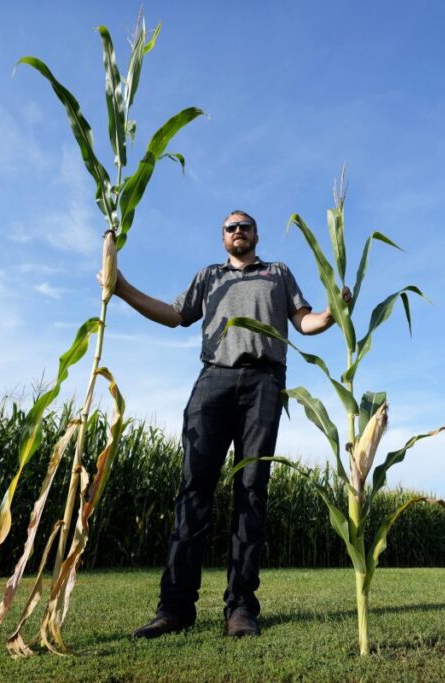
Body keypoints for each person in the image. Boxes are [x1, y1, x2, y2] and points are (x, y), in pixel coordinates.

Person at [103, 210, 347, 638]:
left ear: (256, 234)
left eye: (245, 226)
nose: (238, 232)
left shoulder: (278, 273)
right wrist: (120, 288)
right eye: (230, 228)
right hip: (213, 380)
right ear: (223, 238)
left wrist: (334, 312)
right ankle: (175, 608)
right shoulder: (209, 277)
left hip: (264, 383)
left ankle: (240, 609)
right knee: (193, 490)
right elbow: (174, 314)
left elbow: (305, 322)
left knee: (251, 491)